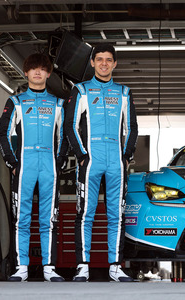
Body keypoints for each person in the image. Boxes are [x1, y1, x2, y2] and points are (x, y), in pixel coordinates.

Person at [65, 43, 138, 282]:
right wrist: (83, 155)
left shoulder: (124, 92)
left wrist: (126, 157)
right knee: (86, 212)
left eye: (109, 59)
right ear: (93, 62)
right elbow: (70, 125)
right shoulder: (81, 90)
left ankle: (115, 266)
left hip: (116, 161)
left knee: (116, 214)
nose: (104, 63)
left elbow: (132, 128)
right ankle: (82, 266)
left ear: (115, 64)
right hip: (91, 160)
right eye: (99, 59)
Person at [0, 53, 68, 282]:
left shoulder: (58, 104)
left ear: (48, 73)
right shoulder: (16, 101)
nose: (38, 73)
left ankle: (49, 268)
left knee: (49, 219)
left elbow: (65, 136)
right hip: (25, 165)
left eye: (42, 69)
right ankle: (22, 268)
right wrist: (12, 163)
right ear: (25, 72)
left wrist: (58, 161)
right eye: (33, 69)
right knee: (22, 218)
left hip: (49, 165)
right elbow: (3, 133)